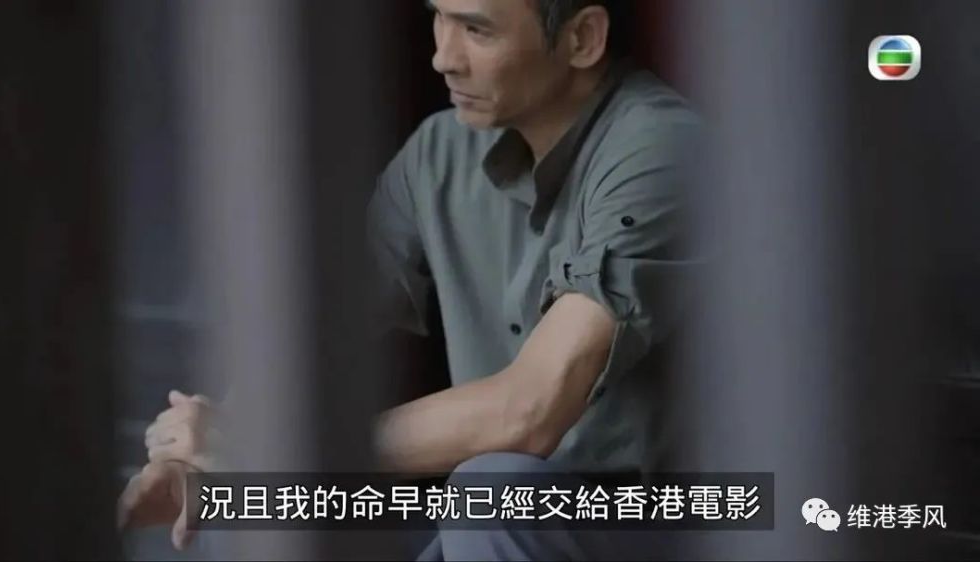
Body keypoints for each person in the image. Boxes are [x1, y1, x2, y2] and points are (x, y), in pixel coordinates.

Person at [118, 0, 702, 559]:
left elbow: (527, 411)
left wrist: (268, 446)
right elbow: (321, 333)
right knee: (250, 506)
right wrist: (196, 457)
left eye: (477, 30)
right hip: (494, 521)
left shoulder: (662, 148)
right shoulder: (440, 152)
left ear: (582, 39)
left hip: (673, 520)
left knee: (493, 493)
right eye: (438, 19)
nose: (443, 57)